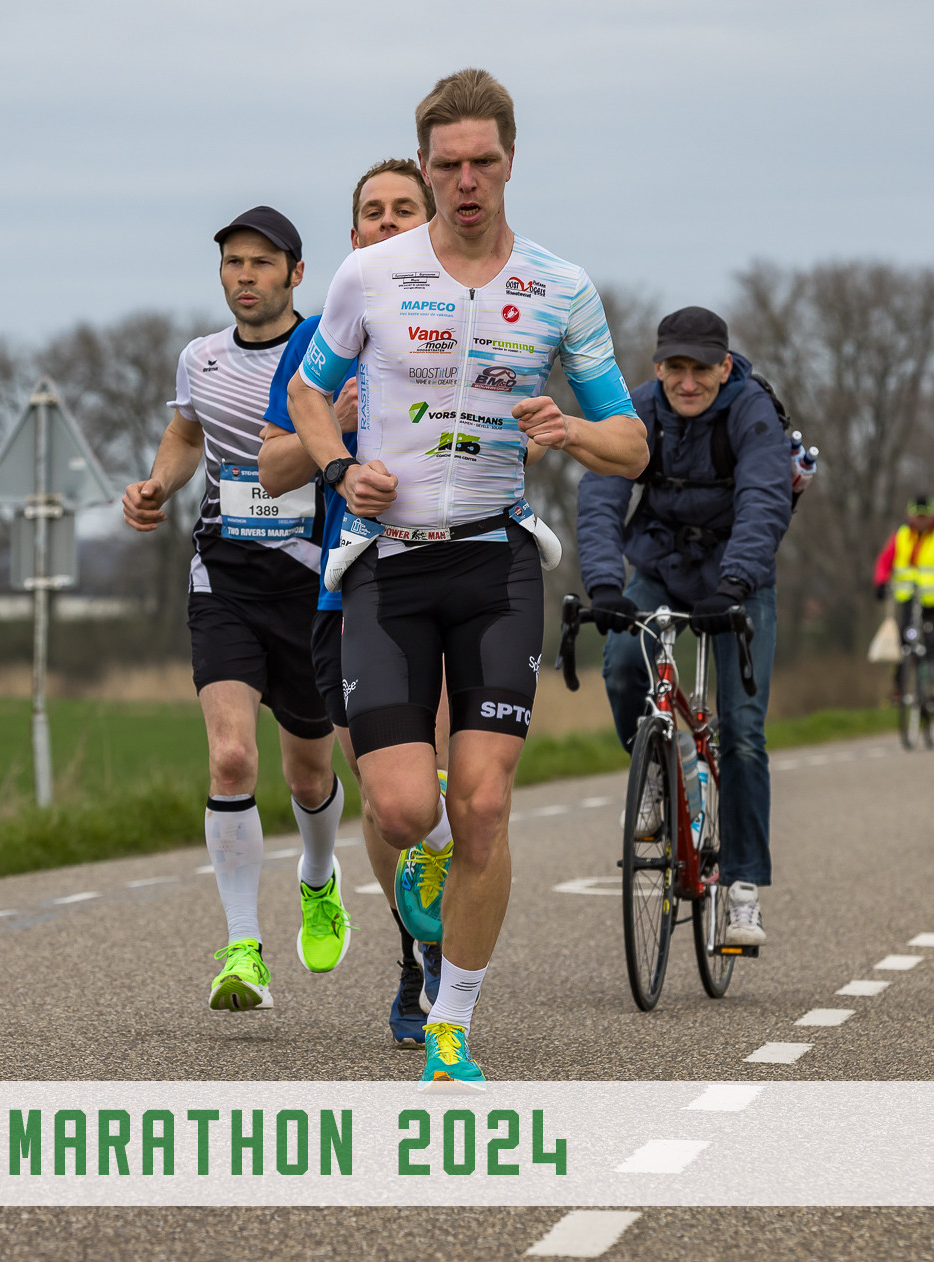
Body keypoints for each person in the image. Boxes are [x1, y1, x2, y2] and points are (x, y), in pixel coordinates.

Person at [286, 68, 647, 1082]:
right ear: (425, 163)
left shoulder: (559, 287)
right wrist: (336, 468)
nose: (466, 181)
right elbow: (310, 395)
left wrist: (570, 428)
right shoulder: (369, 276)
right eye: (447, 164)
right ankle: (431, 846)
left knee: (487, 803)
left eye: (483, 160)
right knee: (402, 808)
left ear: (511, 160)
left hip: (497, 564)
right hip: (388, 565)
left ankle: (451, 1024)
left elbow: (630, 445)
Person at [121, 205, 346, 1015]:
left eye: (261, 263)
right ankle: (243, 948)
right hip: (225, 578)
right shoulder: (201, 358)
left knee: (308, 772)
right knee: (229, 760)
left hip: (311, 585)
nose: (245, 277)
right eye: (232, 263)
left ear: (295, 273)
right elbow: (187, 435)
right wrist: (157, 483)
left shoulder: (326, 352)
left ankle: (318, 877)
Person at [257, 157, 451, 1049]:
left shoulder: (466, 313)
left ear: (431, 222)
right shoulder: (320, 336)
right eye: (372, 212)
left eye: (404, 209)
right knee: (380, 794)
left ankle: (451, 945)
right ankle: (416, 950)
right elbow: (272, 469)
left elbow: (515, 435)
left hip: (450, 575)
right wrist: (327, 428)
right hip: (349, 590)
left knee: (436, 777)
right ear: (354, 235)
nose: (386, 223)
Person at [576, 306, 792, 948]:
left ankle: (743, 889)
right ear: (658, 366)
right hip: (661, 567)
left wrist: (737, 582)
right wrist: (605, 585)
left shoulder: (751, 412)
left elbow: (764, 499)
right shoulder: (639, 409)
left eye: (701, 369)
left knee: (743, 733)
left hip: (737, 581)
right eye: (676, 368)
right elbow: (602, 491)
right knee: (621, 665)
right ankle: (654, 775)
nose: (688, 382)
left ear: (724, 367)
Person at [872, 497, 934, 714]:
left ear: (932, 515)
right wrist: (880, 583)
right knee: (904, 640)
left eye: (925, 516)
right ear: (910, 515)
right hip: (911, 598)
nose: (921, 520)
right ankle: (899, 687)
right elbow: (885, 561)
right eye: (917, 516)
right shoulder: (901, 535)